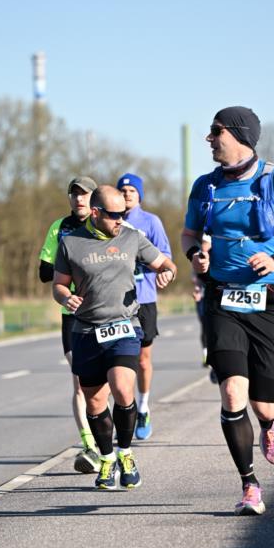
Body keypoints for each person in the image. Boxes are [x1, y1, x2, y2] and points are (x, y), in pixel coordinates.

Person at [181, 106, 274, 516]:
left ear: (238, 134)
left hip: (269, 300)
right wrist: (194, 255)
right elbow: (190, 231)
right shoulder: (204, 186)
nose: (209, 139)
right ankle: (249, 485)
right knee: (230, 393)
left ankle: (271, 422)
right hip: (223, 298)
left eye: (215, 131)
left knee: (264, 403)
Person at [52, 186, 177, 490]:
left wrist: (167, 273)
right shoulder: (70, 243)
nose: (121, 219)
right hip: (86, 331)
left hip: (124, 326)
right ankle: (107, 459)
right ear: (95, 213)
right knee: (95, 401)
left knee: (122, 389)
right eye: (115, 215)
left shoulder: (132, 237)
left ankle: (126, 453)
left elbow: (165, 262)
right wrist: (65, 297)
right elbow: (58, 285)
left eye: (124, 213)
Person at [39, 176, 101, 474]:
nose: (79, 200)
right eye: (74, 194)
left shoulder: (105, 223)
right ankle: (89, 445)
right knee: (79, 382)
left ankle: (107, 438)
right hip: (72, 315)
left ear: (94, 198)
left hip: (105, 311)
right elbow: (44, 271)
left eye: (84, 195)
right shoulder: (59, 228)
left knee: (107, 382)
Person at [116, 173, 172, 441]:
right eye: (123, 190)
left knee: (142, 359)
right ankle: (123, 409)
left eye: (131, 190)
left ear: (139, 195)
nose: (127, 194)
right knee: (116, 360)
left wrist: (162, 271)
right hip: (115, 302)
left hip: (144, 299)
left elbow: (166, 256)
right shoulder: (109, 222)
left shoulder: (151, 222)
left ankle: (144, 407)